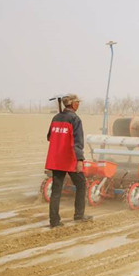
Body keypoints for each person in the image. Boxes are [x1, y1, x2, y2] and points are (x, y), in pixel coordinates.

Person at [45, 94, 93, 228]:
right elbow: (78, 143)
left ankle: (54, 221)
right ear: (73, 104)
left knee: (56, 191)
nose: (79, 105)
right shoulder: (75, 119)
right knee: (81, 183)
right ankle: (79, 215)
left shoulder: (56, 118)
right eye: (78, 103)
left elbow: (49, 137)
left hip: (55, 159)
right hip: (69, 159)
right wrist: (80, 160)